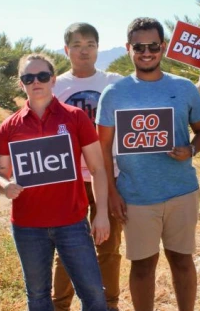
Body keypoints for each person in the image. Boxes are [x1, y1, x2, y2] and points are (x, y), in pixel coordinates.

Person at [97, 17, 200, 311]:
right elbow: (103, 148)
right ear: (128, 48)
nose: (146, 52)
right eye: (139, 46)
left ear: (164, 46)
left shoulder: (185, 88)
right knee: (143, 267)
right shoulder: (114, 94)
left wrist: (191, 150)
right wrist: (111, 193)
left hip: (181, 192)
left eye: (153, 46)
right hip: (136, 195)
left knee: (182, 261)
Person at [0, 53, 109, 311]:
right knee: (38, 297)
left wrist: (101, 215)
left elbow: (98, 169)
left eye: (42, 76)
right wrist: (5, 185)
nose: (36, 81)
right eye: (28, 77)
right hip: (27, 226)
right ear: (21, 84)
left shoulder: (76, 117)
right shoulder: (9, 127)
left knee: (94, 297)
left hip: (73, 222)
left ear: (53, 79)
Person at [51, 22, 123, 311]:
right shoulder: (55, 85)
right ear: (67, 50)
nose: (84, 51)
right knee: (66, 248)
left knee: (109, 246)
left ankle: (109, 304)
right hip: (68, 180)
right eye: (77, 46)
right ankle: (60, 305)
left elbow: (153, 93)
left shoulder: (114, 81)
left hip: (108, 175)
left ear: (98, 48)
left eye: (90, 45)